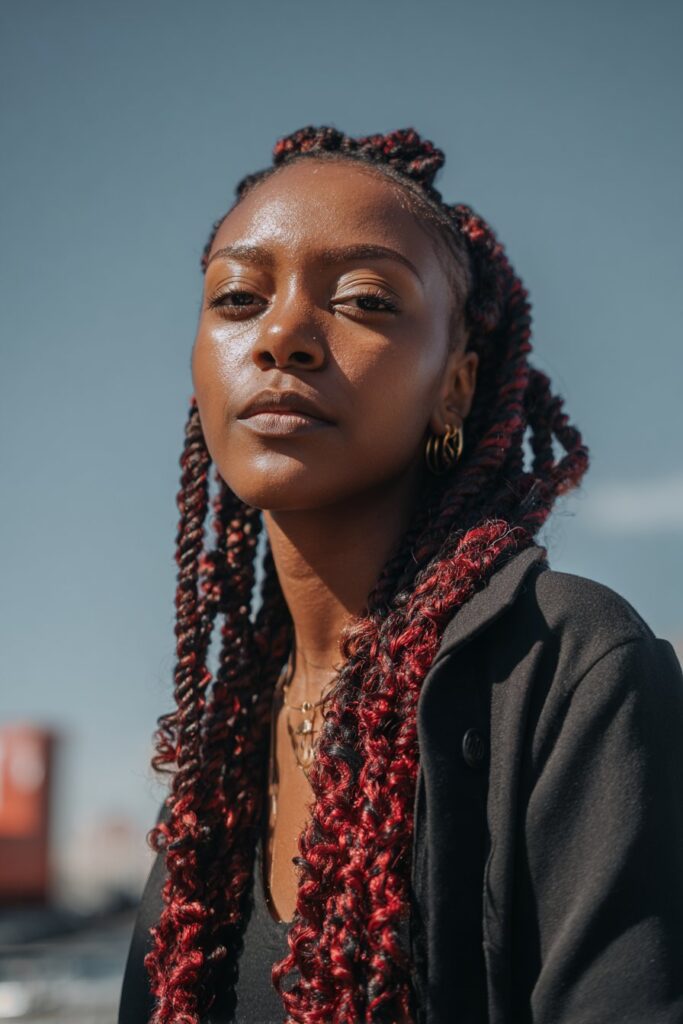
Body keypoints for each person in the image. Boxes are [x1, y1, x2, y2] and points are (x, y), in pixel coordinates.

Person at [118, 125, 683, 1024]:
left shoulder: (567, 669)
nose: (284, 336)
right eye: (236, 297)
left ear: (453, 388)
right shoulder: (222, 761)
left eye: (365, 300)